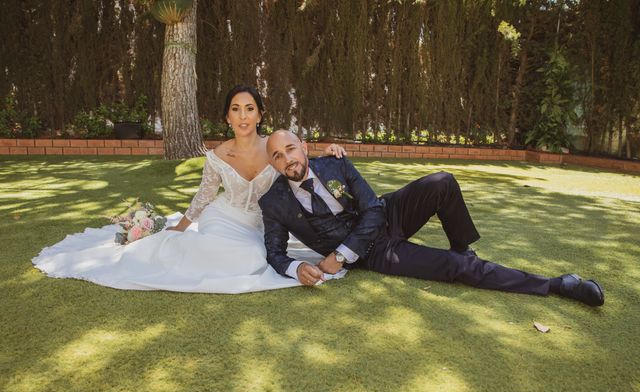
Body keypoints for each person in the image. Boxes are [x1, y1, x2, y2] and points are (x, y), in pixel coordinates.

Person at [32, 86, 346, 293]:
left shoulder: (273, 148)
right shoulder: (218, 155)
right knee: (242, 255)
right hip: (223, 217)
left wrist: (328, 151)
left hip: (261, 224)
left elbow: (296, 160)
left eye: (249, 109)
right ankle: (163, 242)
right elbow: (204, 196)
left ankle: (177, 244)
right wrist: (181, 227)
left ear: (260, 114)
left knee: (254, 258)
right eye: (235, 109)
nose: (243, 116)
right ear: (227, 117)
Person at [259, 130, 605, 307]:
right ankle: (557, 285)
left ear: (302, 146)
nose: (286, 159)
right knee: (456, 269)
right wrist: (296, 269)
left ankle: (463, 247)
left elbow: (374, 208)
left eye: (289, 149)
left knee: (442, 181)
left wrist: (339, 256)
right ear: (272, 163)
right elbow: (275, 253)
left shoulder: (335, 163)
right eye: (277, 156)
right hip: (375, 254)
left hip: (386, 215)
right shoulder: (273, 202)